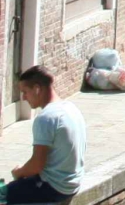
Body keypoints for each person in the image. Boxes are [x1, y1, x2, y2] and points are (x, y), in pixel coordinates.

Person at [4, 66, 85, 203]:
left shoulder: (46, 118)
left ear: (37, 88)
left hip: (54, 188)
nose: (23, 98)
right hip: (73, 183)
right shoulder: (71, 108)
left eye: (25, 92)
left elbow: (37, 165)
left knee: (2, 194)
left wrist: (19, 172)